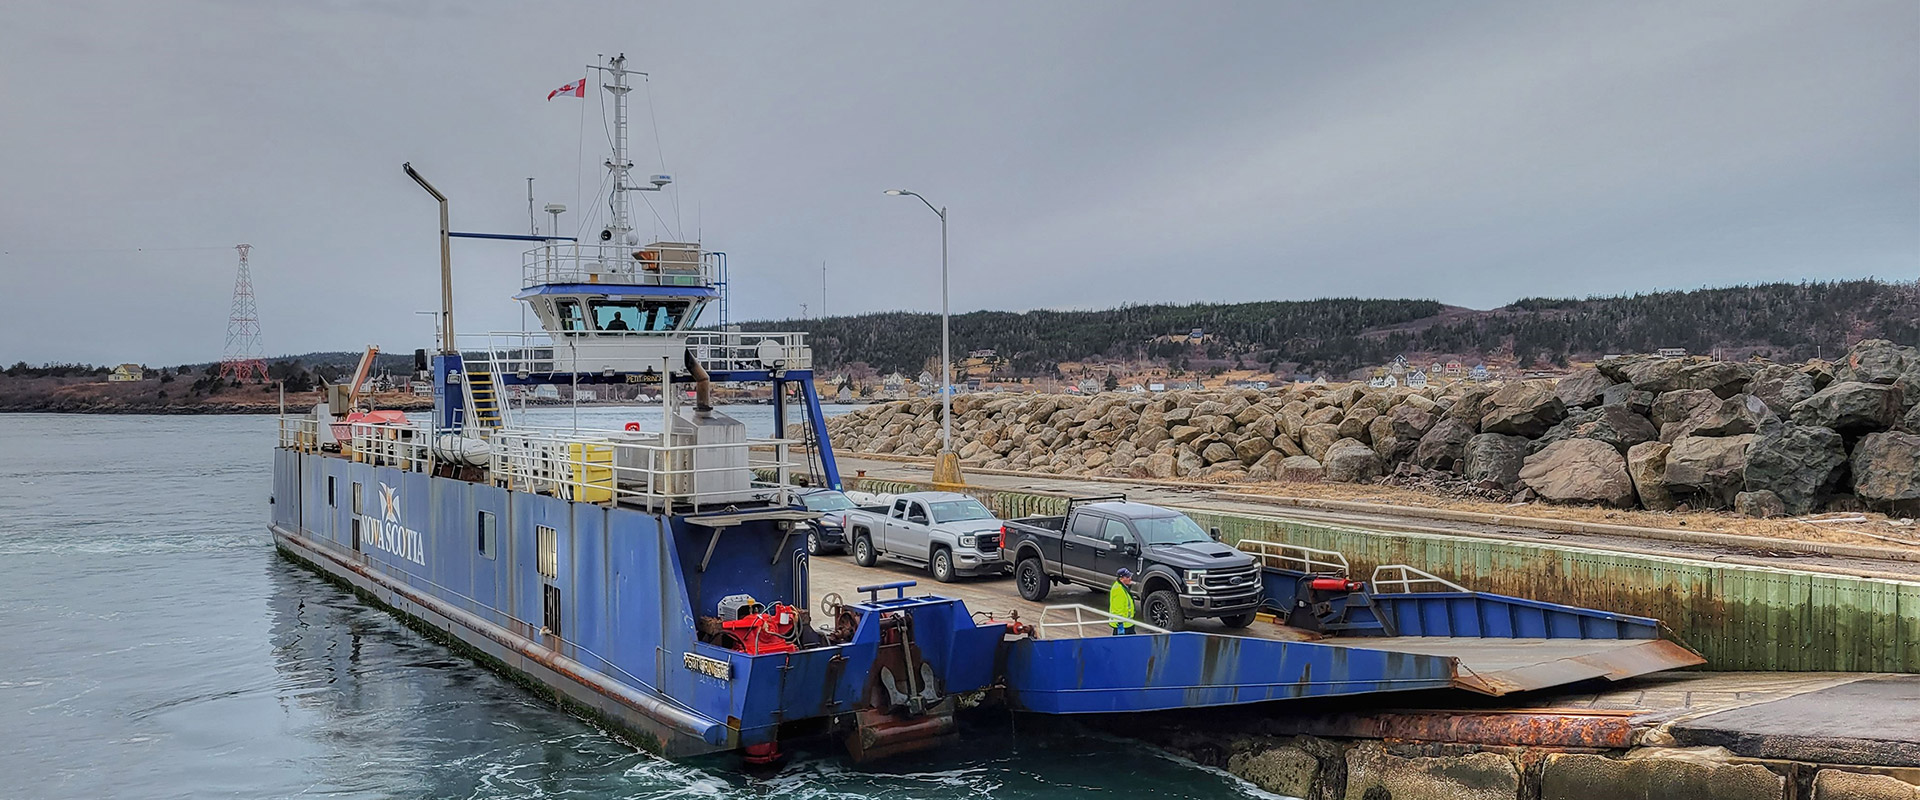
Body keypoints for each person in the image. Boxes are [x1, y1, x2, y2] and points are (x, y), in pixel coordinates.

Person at [1109, 568, 1136, 635]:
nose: (1130, 578)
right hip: (1123, 625)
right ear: (1121, 578)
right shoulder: (1118, 590)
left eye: (1130, 576)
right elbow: (1117, 608)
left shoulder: (1123, 587)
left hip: (1128, 623)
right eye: (1127, 577)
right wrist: (1120, 624)